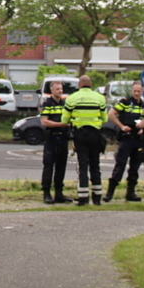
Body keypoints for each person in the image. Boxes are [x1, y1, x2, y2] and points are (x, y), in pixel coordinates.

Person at [62, 75, 108, 206]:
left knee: (83, 165)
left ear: (79, 85)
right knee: (95, 165)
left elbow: (64, 119)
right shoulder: (100, 98)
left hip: (80, 134)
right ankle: (97, 198)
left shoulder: (72, 98)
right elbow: (104, 119)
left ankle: (83, 198)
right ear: (91, 84)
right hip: (95, 134)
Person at [104, 81, 144, 202]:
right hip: (126, 138)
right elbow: (111, 114)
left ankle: (130, 193)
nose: (136, 93)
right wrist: (121, 126)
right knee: (120, 165)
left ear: (142, 92)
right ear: (132, 91)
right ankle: (110, 193)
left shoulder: (143, 105)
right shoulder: (125, 102)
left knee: (135, 167)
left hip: (137, 139)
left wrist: (143, 129)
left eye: (139, 91)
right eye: (135, 91)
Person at [38, 80, 73, 204]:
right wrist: (61, 124)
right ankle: (46, 193)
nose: (60, 91)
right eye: (57, 89)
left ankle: (59, 193)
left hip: (63, 138)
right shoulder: (47, 103)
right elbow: (44, 121)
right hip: (51, 138)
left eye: (61, 89)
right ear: (52, 90)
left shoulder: (65, 104)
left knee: (61, 166)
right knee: (48, 166)